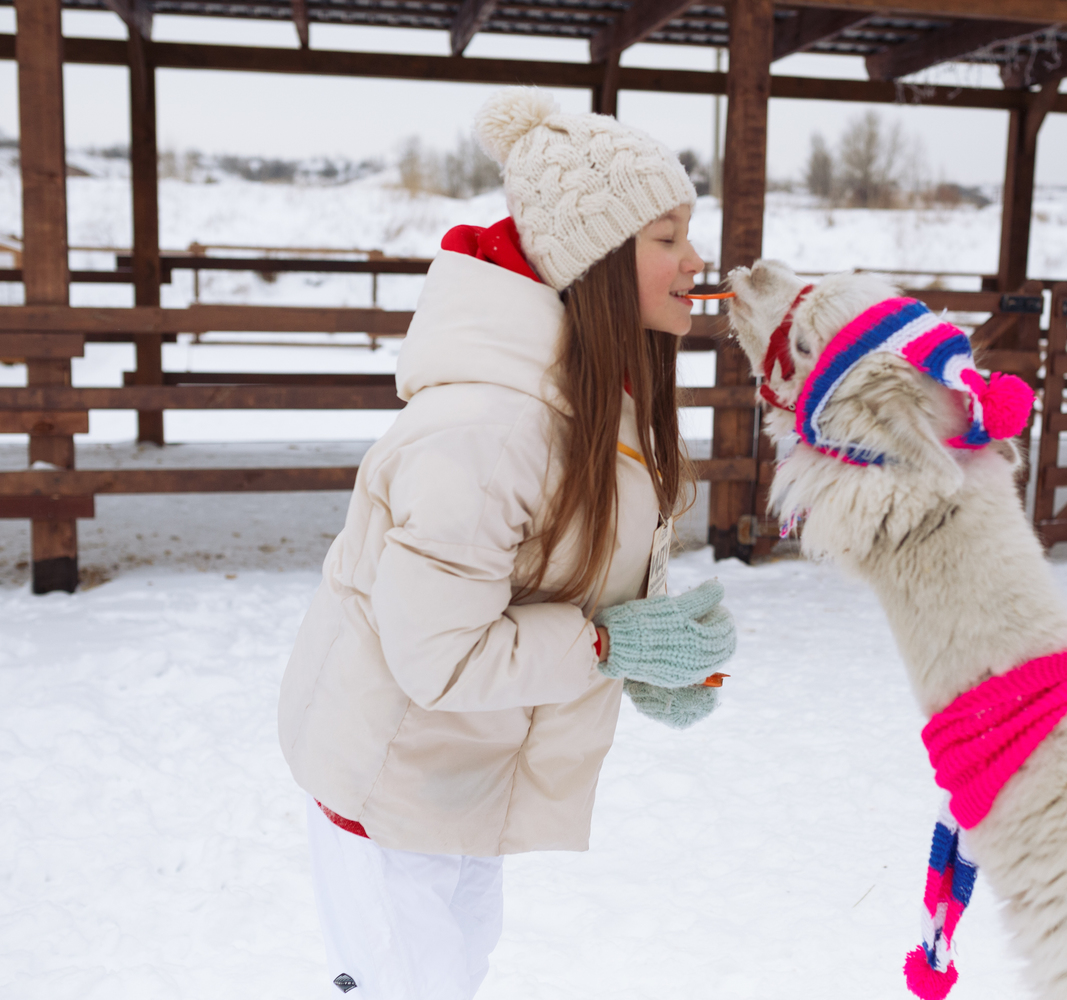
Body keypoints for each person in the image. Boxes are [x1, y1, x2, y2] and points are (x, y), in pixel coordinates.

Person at [277, 87, 736, 999]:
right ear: (596, 261)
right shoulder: (482, 435)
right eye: (666, 238)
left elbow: (559, 581)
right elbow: (437, 659)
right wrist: (608, 647)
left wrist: (650, 652)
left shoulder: (599, 402)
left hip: (467, 774)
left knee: (457, 972)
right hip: (392, 781)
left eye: (689, 233)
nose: (696, 259)